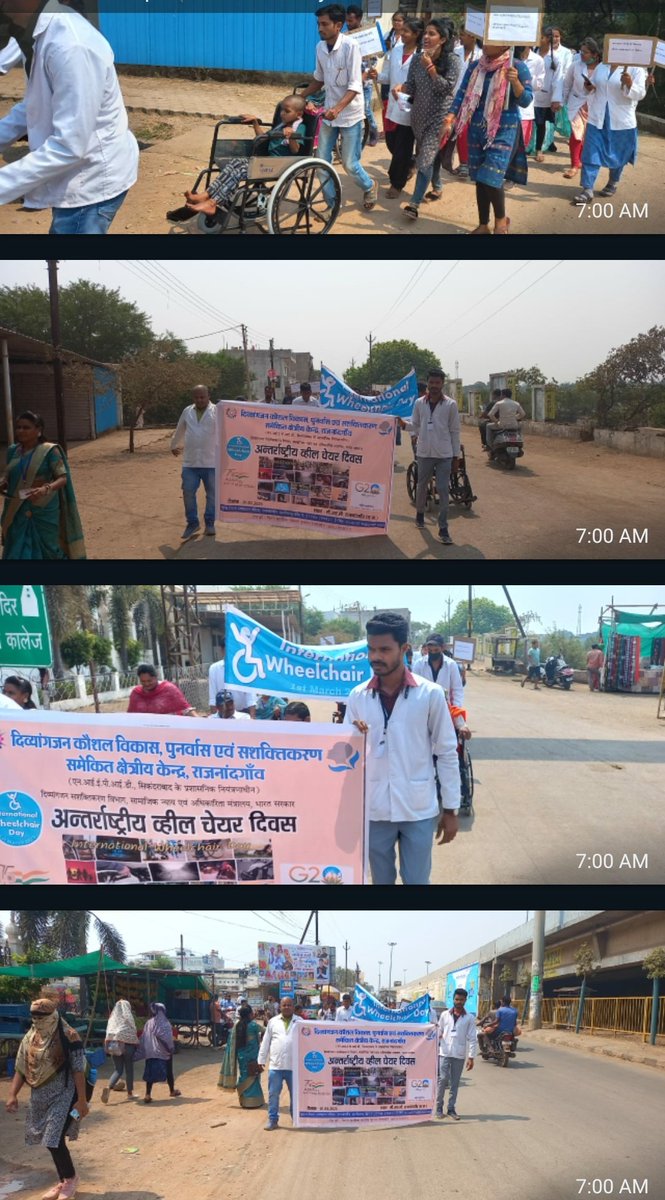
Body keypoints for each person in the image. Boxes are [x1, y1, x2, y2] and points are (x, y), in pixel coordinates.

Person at [0, 0, 138, 234]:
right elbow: (36, 103)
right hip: (74, 175)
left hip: (89, 184)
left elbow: (68, 146)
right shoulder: (32, 33)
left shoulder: (70, 45)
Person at [344, 611, 460, 886]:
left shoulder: (430, 694)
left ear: (404, 649)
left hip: (417, 808)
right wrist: (353, 739)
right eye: (371, 649)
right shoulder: (358, 696)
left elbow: (446, 752)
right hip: (375, 809)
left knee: (417, 881)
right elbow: (346, 758)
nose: (375, 656)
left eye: (384, 649)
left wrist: (451, 810)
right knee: (380, 881)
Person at [166, 96, 307, 224]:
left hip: (278, 166)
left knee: (239, 171)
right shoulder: (281, 125)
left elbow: (295, 150)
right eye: (282, 110)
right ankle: (205, 195)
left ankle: (213, 202)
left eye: (286, 111)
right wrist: (255, 122)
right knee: (235, 163)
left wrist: (292, 136)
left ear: (298, 114)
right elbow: (263, 139)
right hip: (264, 161)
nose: (282, 113)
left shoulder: (300, 127)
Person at [442, 43, 533, 235]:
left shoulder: (517, 66)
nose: (485, 43)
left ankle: (501, 221)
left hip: (505, 128)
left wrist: (515, 82)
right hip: (477, 127)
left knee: (490, 176)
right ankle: (483, 225)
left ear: (505, 45)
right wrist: (451, 115)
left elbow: (526, 100)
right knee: (479, 178)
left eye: (491, 40)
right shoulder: (476, 66)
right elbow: (462, 93)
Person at [5, 995, 88, 1200]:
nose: (37, 1020)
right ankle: (63, 1180)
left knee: (53, 1139)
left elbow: (79, 1070)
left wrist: (82, 1100)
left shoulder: (70, 1036)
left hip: (65, 1094)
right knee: (49, 1140)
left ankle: (70, 1179)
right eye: (34, 1016)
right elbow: (22, 1067)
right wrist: (12, 1094)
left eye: (42, 1016)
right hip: (40, 1096)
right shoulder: (31, 1037)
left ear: (53, 1015)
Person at [302, 3, 378, 212]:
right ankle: (332, 204)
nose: (320, 28)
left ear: (338, 25)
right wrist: (301, 97)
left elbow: (355, 85)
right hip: (329, 114)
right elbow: (319, 79)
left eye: (324, 24)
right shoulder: (319, 48)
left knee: (350, 164)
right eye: (318, 24)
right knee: (321, 162)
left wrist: (338, 109)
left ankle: (370, 186)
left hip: (351, 114)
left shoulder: (351, 46)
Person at [396, 18, 459, 218]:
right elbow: (411, 87)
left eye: (432, 34)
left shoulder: (452, 61)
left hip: (439, 119)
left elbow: (446, 88)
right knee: (427, 156)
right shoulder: (416, 59)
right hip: (418, 117)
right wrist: (401, 90)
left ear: (442, 39)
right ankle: (437, 185)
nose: (426, 37)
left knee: (424, 159)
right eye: (426, 33)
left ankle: (414, 204)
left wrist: (430, 67)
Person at [1, 410, 86, 560]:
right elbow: (10, 474)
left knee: (49, 549)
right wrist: (3, 482)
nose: (20, 431)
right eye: (18, 427)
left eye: (26, 427)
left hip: (43, 508)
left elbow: (62, 478)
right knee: (16, 549)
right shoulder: (13, 451)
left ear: (38, 430)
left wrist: (45, 489)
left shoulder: (50, 451)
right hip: (17, 508)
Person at [572, 59, 647, 207]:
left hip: (621, 120)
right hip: (597, 117)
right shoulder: (602, 66)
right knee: (591, 152)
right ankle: (587, 189)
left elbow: (640, 93)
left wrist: (630, 84)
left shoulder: (636, 68)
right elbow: (594, 86)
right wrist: (590, 86)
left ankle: (613, 182)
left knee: (618, 154)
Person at [406, 368, 460, 545]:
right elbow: (414, 425)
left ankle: (443, 527)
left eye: (438, 383)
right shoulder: (419, 403)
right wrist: (401, 424)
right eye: (431, 383)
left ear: (442, 383)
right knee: (421, 486)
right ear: (427, 383)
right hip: (424, 453)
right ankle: (420, 513)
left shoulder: (450, 405)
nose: (434, 386)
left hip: (444, 454)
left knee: (443, 489)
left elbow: (454, 431)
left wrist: (455, 456)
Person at [380, 18, 423, 198]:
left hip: (409, 106)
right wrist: (375, 76)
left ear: (416, 34)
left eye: (406, 31)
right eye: (401, 30)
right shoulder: (395, 51)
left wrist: (406, 89)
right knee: (391, 142)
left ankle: (396, 183)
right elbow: (387, 76)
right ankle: (410, 162)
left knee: (402, 146)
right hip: (392, 104)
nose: (402, 34)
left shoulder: (422, 55)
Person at [170, 384, 218, 541]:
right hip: (190, 462)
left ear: (208, 396)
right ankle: (192, 523)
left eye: (202, 396)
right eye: (196, 397)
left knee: (212, 495)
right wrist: (173, 444)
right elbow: (180, 428)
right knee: (188, 492)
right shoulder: (187, 411)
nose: (199, 400)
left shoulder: (217, 411)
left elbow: (227, 431)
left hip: (211, 461)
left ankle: (210, 523)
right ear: (193, 398)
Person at [257, 997, 301, 1131]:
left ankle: (296, 1119)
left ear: (293, 1007)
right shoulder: (272, 1022)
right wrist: (261, 1060)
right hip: (276, 1065)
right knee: (273, 1094)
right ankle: (273, 1120)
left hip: (294, 1067)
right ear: (280, 1007)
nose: (287, 1007)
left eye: (289, 1005)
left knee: (296, 1095)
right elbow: (266, 1042)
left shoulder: (300, 1022)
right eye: (284, 1005)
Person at [560, 38, 601, 180]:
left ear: (595, 54)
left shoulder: (603, 68)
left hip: (594, 106)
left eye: (586, 52)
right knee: (576, 135)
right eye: (581, 51)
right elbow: (566, 85)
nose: (582, 55)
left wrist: (593, 88)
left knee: (587, 136)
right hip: (576, 103)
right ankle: (574, 164)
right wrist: (561, 101)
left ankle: (582, 160)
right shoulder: (575, 66)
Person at [435, 988, 477, 1121]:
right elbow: (438, 1030)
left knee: (454, 1082)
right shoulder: (444, 1015)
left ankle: (451, 1108)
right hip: (444, 1052)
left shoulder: (469, 1018)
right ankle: (438, 1107)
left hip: (459, 1054)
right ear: (453, 999)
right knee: (442, 1080)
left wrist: (471, 1057)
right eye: (457, 999)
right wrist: (438, 1035)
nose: (459, 1002)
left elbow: (472, 1038)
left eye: (461, 1000)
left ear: (465, 1000)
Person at [345, 4, 379, 147]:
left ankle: (373, 129)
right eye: (347, 20)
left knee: (365, 109)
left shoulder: (367, 35)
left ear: (358, 19)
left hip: (364, 82)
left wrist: (364, 74)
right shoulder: (345, 36)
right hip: (349, 80)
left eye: (351, 21)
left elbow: (374, 59)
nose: (348, 23)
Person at [219, 1004, 265, 1107]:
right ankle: (254, 1102)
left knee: (244, 1075)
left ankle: (244, 1101)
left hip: (241, 1057)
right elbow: (265, 1030)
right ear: (249, 1014)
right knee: (253, 1076)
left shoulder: (237, 1025)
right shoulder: (253, 1025)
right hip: (253, 1057)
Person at [134, 1002, 181, 1103]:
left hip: (151, 1052)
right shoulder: (165, 1023)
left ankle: (147, 1094)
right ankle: (172, 1090)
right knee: (169, 1071)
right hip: (164, 1052)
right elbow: (167, 1039)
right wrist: (171, 1048)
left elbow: (144, 1037)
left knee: (150, 1072)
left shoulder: (148, 1023)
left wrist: (143, 1049)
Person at [453, 31, 483, 178]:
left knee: (467, 131)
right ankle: (462, 162)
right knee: (458, 132)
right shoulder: (456, 52)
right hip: (454, 96)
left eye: (463, 34)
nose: (460, 37)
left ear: (472, 36)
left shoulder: (481, 55)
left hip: (472, 100)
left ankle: (468, 163)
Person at [533, 28, 565, 163]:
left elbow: (558, 80)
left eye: (541, 37)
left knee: (540, 124)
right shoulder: (531, 53)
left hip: (545, 96)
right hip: (529, 94)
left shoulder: (555, 59)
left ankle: (539, 149)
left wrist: (556, 99)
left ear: (546, 39)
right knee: (527, 122)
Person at [412, 634, 465, 708]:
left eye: (436, 650)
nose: (433, 653)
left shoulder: (451, 665)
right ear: (427, 648)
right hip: (423, 707)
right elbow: (413, 688)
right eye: (430, 650)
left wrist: (456, 707)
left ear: (442, 648)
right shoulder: (419, 664)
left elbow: (457, 689)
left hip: (445, 707)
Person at [102, 998, 138, 1103]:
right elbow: (133, 1032)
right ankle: (130, 1093)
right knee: (129, 1070)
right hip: (128, 1047)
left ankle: (109, 1087)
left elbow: (108, 1034)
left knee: (118, 1070)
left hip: (114, 1047)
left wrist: (107, 1046)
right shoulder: (128, 1019)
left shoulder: (112, 1019)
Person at [127, 664, 196, 715]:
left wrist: (199, 722)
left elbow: (185, 709)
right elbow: (130, 716)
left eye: (149, 681)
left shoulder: (169, 689)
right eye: (143, 681)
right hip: (145, 733)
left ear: (156, 677)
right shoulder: (136, 694)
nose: (147, 684)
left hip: (170, 730)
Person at [208, 645, 256, 717]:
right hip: (223, 713)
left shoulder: (245, 668)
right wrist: (215, 719)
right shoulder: (214, 669)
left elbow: (251, 697)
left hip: (244, 713)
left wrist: (252, 719)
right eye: (228, 649)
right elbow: (212, 697)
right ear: (222, 650)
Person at [513, 45, 542, 158]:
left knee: (519, 146)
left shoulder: (537, 60)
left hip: (525, 110)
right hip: (507, 110)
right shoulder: (504, 61)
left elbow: (539, 84)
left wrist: (525, 78)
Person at [485, 387, 526, 452]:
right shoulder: (516, 403)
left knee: (488, 426)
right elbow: (523, 414)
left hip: (502, 425)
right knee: (520, 427)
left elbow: (490, 414)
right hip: (514, 425)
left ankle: (490, 445)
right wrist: (515, 417)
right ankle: (520, 440)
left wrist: (496, 421)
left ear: (503, 395)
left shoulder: (499, 403)